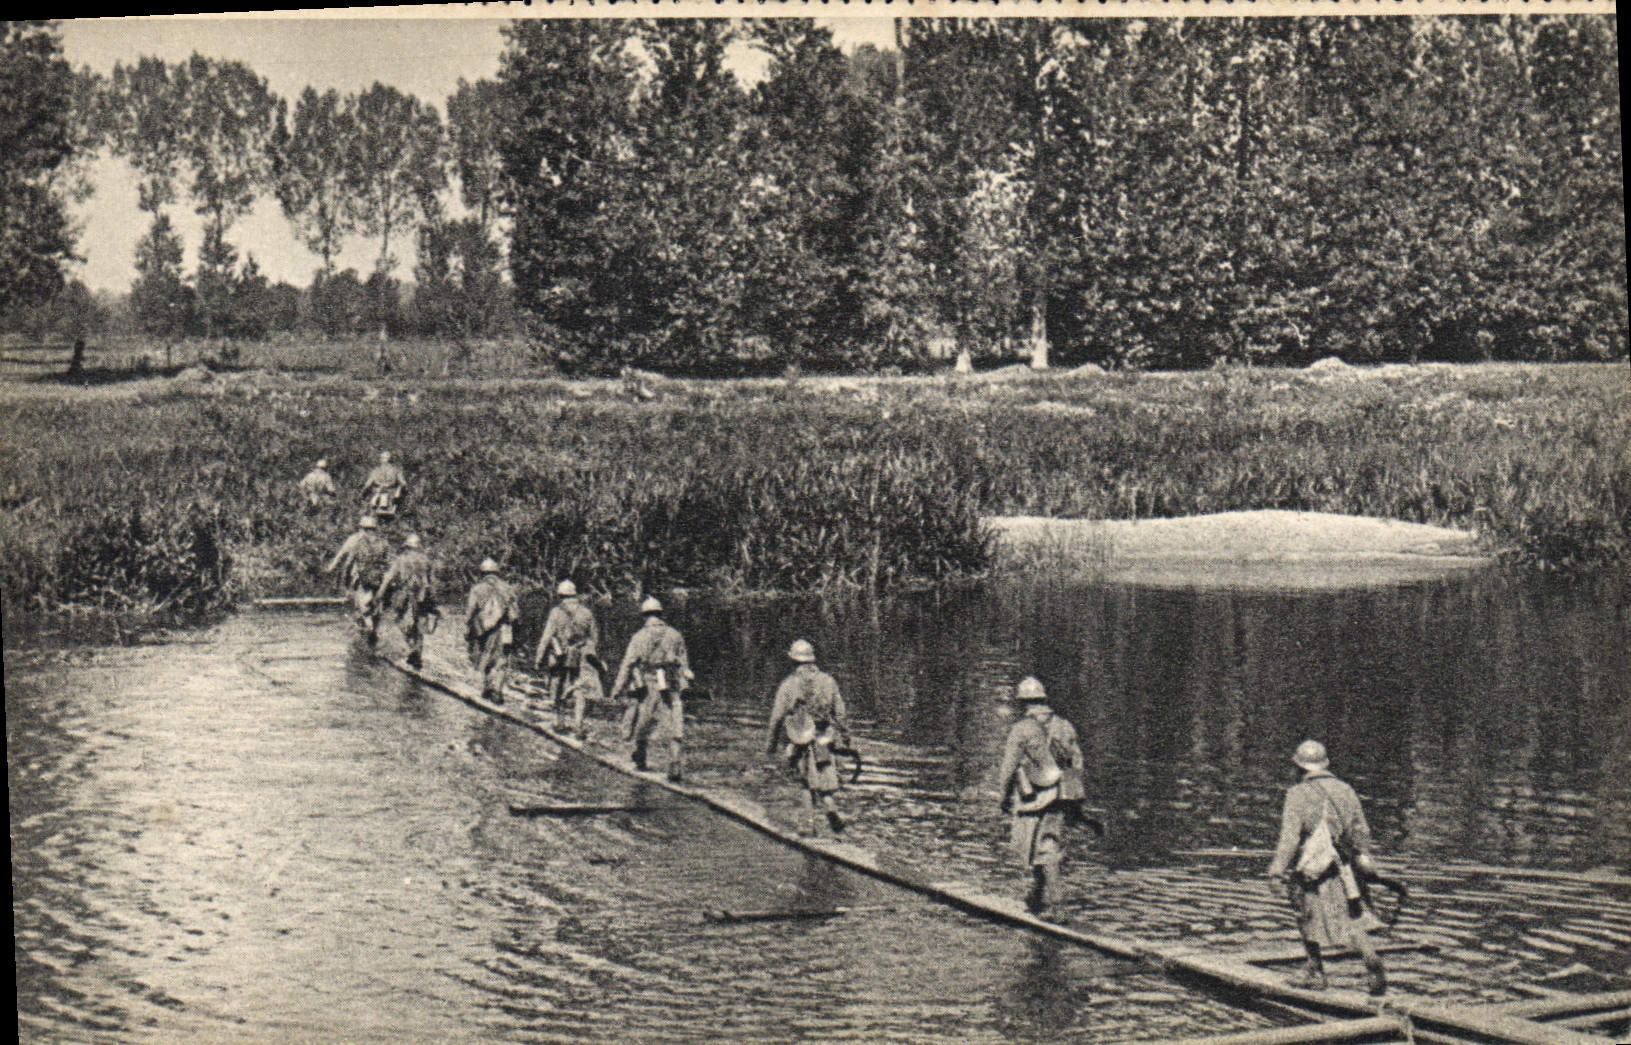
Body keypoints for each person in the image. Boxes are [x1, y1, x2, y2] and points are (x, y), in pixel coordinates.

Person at [1265, 740, 1388, 996]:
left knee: (1305, 914)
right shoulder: (1346, 790)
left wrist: (1277, 871)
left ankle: (1315, 971)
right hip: (1344, 867)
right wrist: (1361, 858)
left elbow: (1290, 838)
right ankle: (1370, 958)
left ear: (1299, 767)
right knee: (1352, 918)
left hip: (1313, 867)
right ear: (1325, 765)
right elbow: (1361, 831)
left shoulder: (1297, 794)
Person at [995, 676, 1084, 914]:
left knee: (1040, 845)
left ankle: (1056, 904)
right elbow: (1077, 763)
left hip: (1034, 797)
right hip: (1062, 794)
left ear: (1023, 703)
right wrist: (1075, 800)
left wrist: (1003, 796)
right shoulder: (1065, 725)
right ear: (1043, 699)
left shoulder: (1021, 729)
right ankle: (1037, 893)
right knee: (1046, 841)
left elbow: (1008, 767)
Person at [766, 639, 855, 838]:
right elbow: (840, 713)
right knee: (824, 777)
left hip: (801, 738)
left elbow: (777, 717)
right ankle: (831, 808)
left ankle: (807, 824)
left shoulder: (789, 684)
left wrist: (771, 744)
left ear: (793, 661)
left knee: (806, 781)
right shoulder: (828, 681)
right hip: (824, 737)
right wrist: (846, 738)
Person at [610, 597, 691, 782]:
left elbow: (628, 664)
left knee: (643, 721)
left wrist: (617, 688)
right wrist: (683, 687)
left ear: (644, 615)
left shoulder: (639, 636)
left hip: (649, 683)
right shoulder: (675, 635)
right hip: (671, 683)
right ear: (660, 614)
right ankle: (675, 763)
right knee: (675, 723)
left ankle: (641, 757)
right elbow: (684, 665)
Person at [532, 580, 600, 737]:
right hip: (579, 655)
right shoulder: (587, 613)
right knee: (579, 689)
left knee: (558, 686)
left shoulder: (556, 612)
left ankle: (559, 722)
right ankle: (578, 725)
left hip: (560, 655)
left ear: (560, 595)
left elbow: (547, 637)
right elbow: (594, 638)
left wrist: (538, 658)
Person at [375, 533, 436, 669]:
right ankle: (417, 656)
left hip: (404, 596)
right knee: (419, 627)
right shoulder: (427, 561)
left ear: (407, 547)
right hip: (422, 598)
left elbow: (388, 579)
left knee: (402, 623)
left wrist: (378, 596)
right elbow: (432, 584)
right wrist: (433, 603)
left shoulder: (401, 560)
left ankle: (409, 650)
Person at [325, 515, 390, 638]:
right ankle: (373, 630)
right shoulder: (382, 541)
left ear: (361, 527)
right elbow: (388, 561)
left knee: (360, 604)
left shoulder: (355, 540)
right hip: (378, 578)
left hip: (360, 577)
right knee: (375, 605)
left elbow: (342, 555)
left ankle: (366, 631)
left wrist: (332, 568)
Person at [464, 558, 519, 704]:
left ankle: (488, 688)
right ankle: (498, 691)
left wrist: (467, 626)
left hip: (486, 627)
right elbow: (516, 611)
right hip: (506, 628)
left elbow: (470, 610)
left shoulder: (478, 588)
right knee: (502, 659)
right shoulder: (508, 588)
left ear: (482, 573)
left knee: (485, 655)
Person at [362, 451, 407, 520]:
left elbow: (367, 484)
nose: (383, 460)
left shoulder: (376, 470)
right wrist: (400, 490)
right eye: (383, 458)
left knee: (370, 505)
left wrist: (363, 492)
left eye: (383, 458)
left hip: (379, 492)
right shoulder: (396, 470)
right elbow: (403, 483)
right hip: (390, 493)